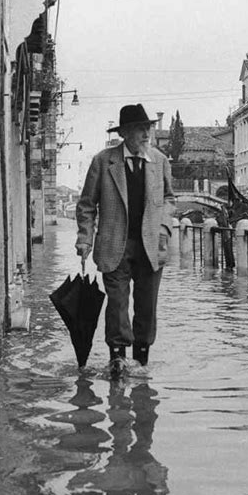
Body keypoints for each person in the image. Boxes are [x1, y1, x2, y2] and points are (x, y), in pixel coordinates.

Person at [75, 104, 175, 376]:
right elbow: (86, 205)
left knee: (146, 307)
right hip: (113, 244)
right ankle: (117, 361)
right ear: (126, 133)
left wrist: (165, 227)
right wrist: (84, 238)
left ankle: (141, 363)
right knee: (117, 305)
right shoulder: (103, 161)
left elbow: (169, 199)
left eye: (148, 128)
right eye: (141, 129)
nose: (147, 134)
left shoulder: (160, 161)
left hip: (151, 246)